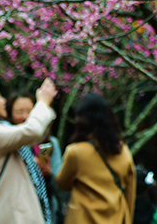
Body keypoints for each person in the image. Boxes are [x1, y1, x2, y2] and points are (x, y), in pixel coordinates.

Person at [0, 77, 57, 224]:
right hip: (13, 217)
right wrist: (43, 102)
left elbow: (33, 135)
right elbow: (32, 131)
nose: (3, 101)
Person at [56, 93, 136, 224]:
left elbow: (62, 183)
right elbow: (130, 193)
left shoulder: (76, 152)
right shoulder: (123, 151)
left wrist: (49, 171)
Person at [7, 93, 67, 224]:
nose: (25, 116)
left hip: (46, 212)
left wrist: (49, 174)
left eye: (30, 111)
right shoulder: (6, 144)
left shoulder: (50, 143)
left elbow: (61, 186)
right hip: (16, 213)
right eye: (19, 111)